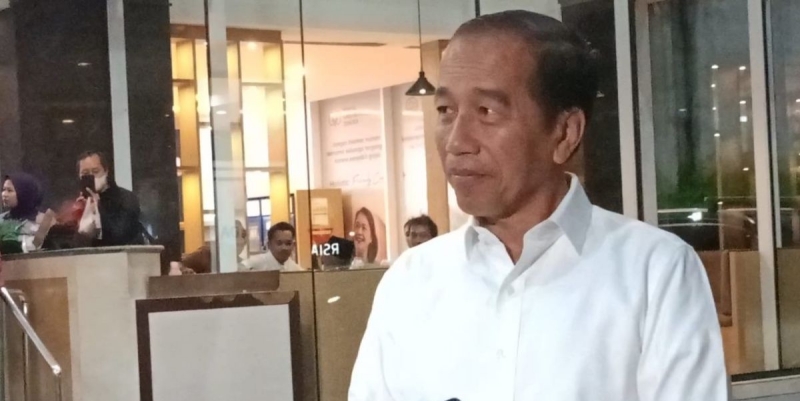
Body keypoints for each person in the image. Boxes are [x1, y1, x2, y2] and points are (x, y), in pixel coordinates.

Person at [349, 10, 727, 401]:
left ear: (565, 133)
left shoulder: (655, 272)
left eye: (486, 112)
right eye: (446, 111)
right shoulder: (410, 282)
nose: (457, 141)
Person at [75, 151, 144, 247]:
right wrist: (77, 215)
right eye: (85, 173)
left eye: (95, 172)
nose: (91, 177)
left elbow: (120, 235)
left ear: (106, 171)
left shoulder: (126, 198)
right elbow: (73, 245)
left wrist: (98, 207)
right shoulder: (80, 203)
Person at [181, 220, 248, 274]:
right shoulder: (205, 254)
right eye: (234, 234)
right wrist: (186, 271)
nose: (240, 241)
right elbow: (179, 264)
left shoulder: (240, 264)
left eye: (243, 235)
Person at [1, 173, 45, 252]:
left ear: (24, 193)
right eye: (4, 190)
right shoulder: (2, 220)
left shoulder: (43, 222)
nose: (4, 194)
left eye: (9, 190)